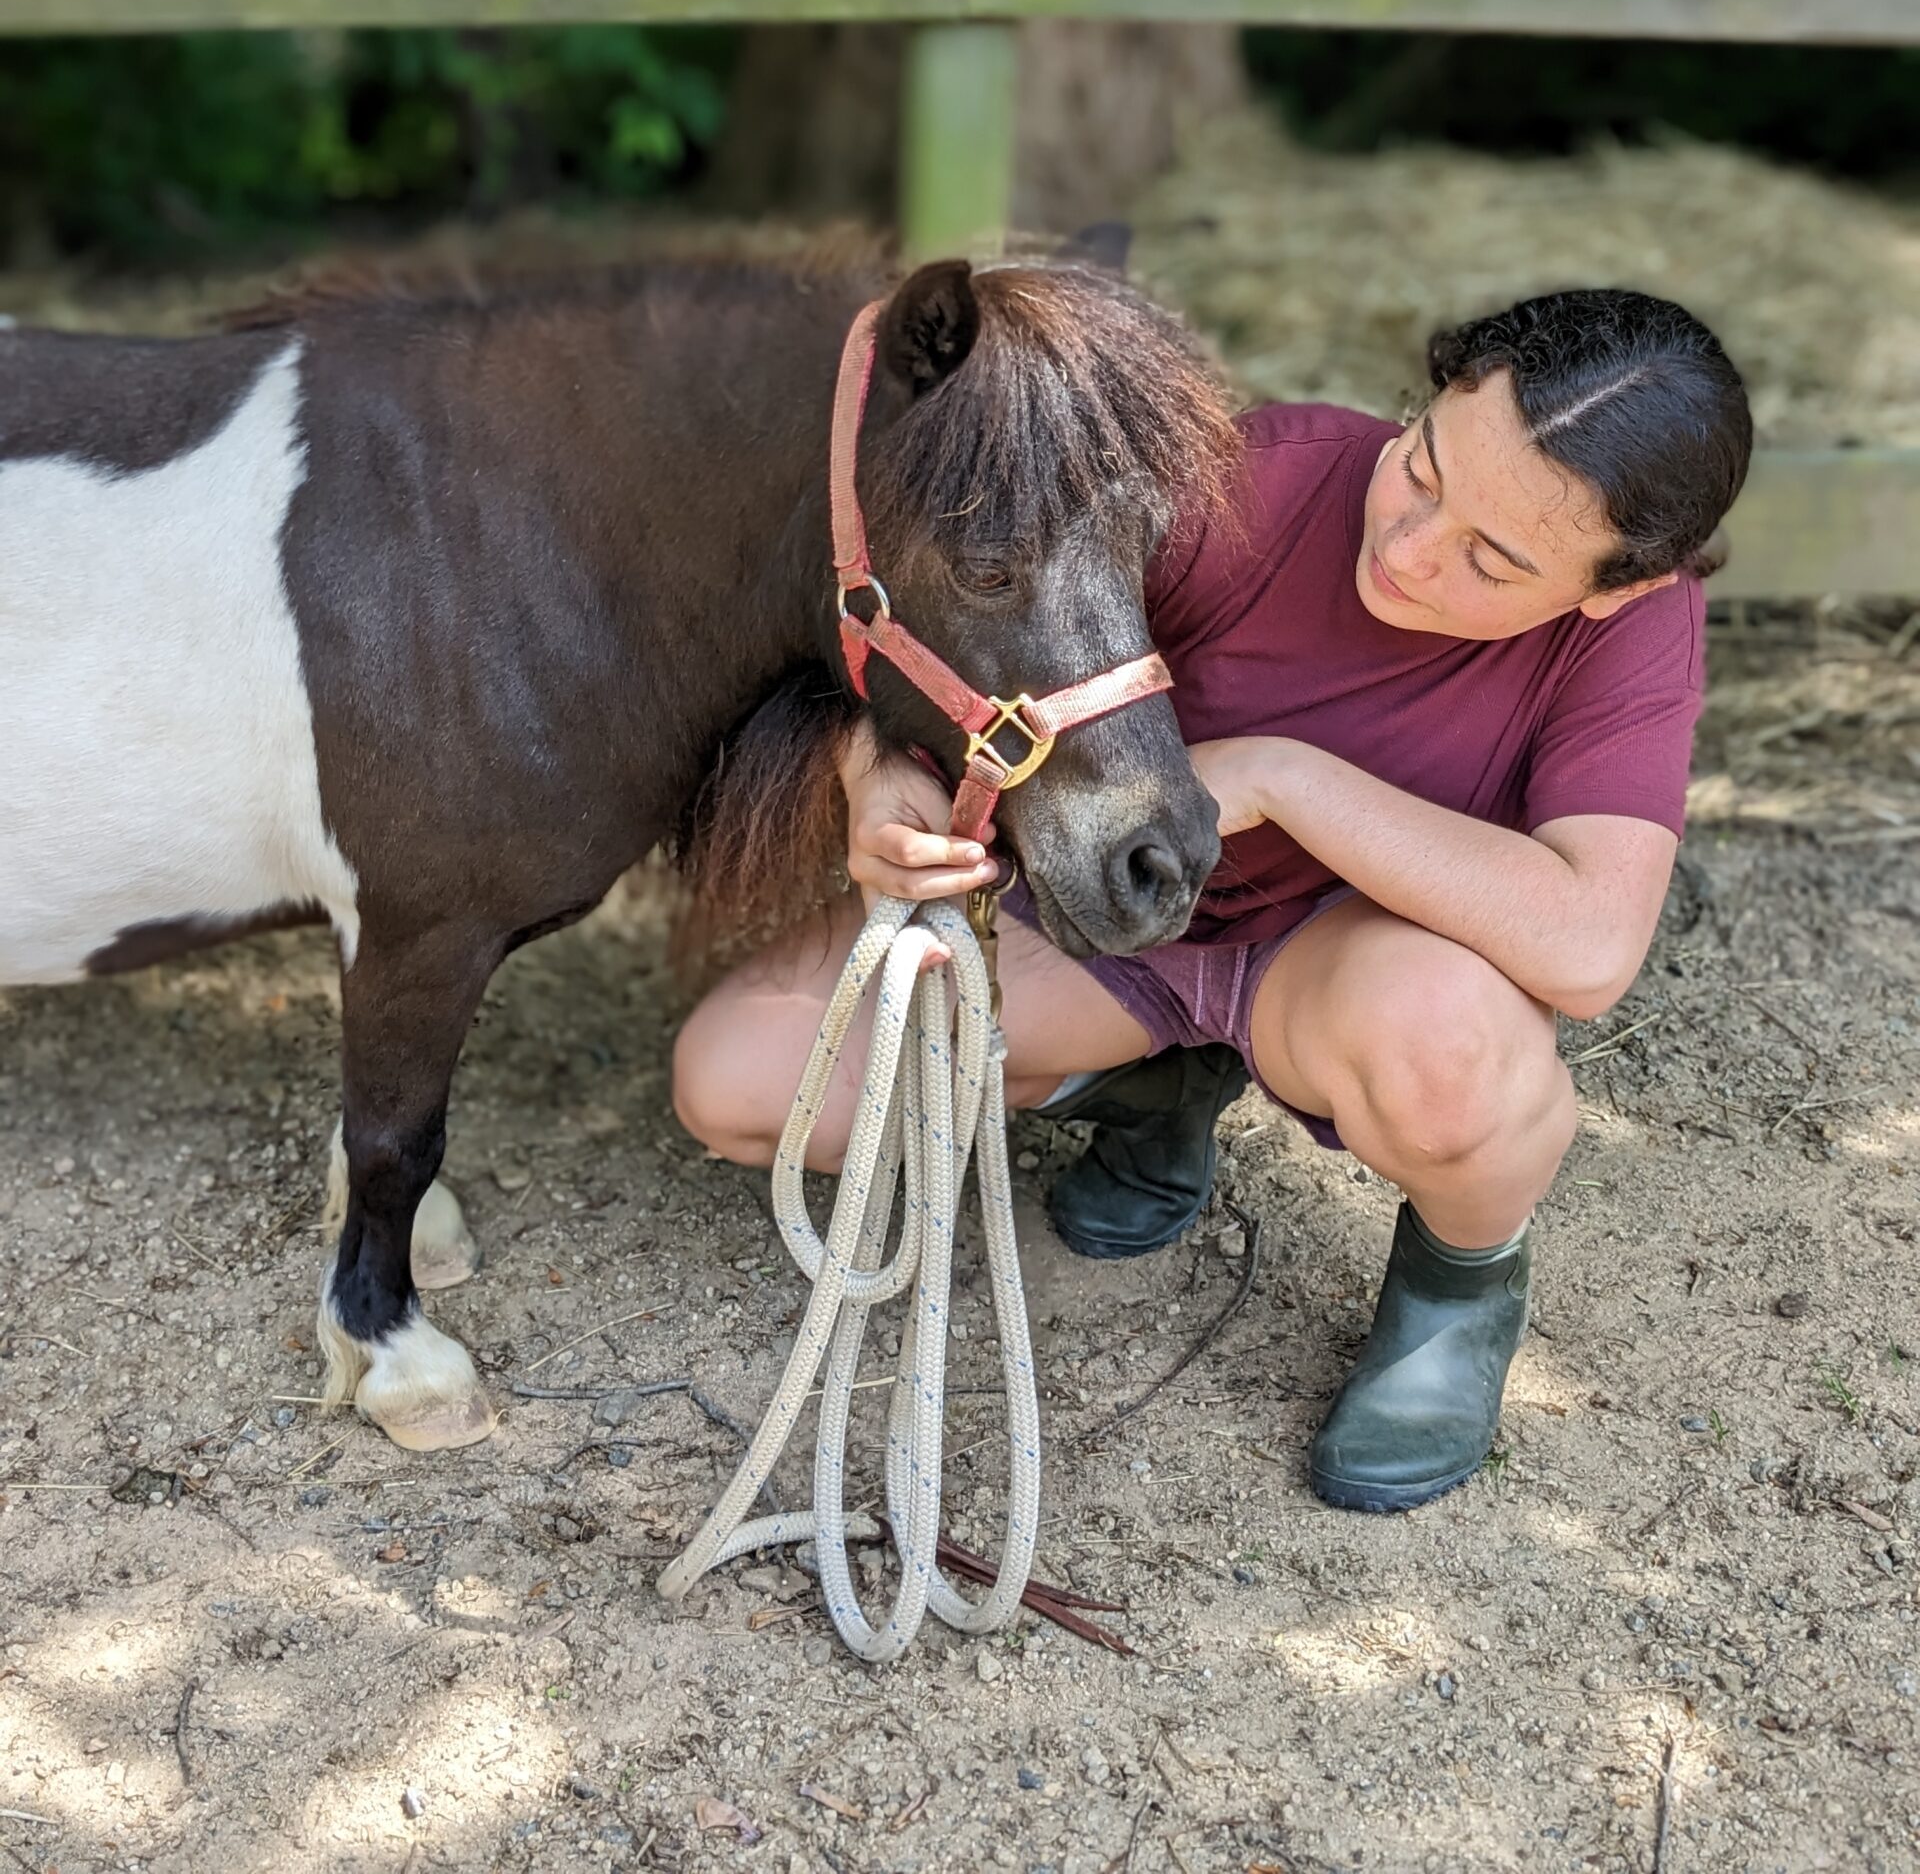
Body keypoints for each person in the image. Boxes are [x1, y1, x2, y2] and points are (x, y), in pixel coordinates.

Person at [673, 290, 1752, 1512]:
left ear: (1616, 587)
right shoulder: (1245, 478)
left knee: (1451, 1058)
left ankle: (1461, 1287)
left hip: (1344, 960)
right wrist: (875, 780)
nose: (1407, 546)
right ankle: (1154, 1086)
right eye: (1422, 466)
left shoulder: (1632, 630)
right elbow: (943, 635)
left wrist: (1285, 780)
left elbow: (1592, 942)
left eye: (1493, 558)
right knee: (739, 1084)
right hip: (1119, 913)